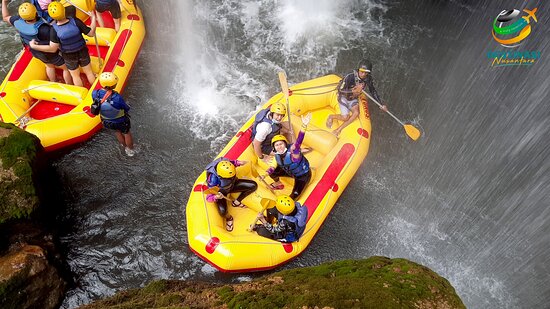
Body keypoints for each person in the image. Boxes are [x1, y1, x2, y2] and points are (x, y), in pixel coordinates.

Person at [2, 1, 72, 84]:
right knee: (65, 68)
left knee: (49, 66)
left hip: (35, 52)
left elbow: (5, 17)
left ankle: (53, 82)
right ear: (35, 12)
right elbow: (55, 45)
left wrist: (4, 2)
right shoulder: (44, 29)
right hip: (49, 52)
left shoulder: (16, 20)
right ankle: (70, 84)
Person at [30, 1, 96, 87]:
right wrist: (93, 18)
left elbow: (52, 48)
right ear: (64, 11)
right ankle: (95, 89)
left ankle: (81, 93)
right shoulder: (75, 21)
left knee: (75, 76)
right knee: (89, 72)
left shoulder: (54, 29)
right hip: (82, 51)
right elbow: (91, 33)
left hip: (68, 55)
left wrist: (34, 46)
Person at [326, 60, 388, 136]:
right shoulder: (350, 77)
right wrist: (353, 90)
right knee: (345, 117)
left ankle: (338, 130)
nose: (363, 74)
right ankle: (331, 116)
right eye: (362, 71)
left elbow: (373, 91)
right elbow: (340, 90)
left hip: (353, 98)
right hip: (343, 97)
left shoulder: (368, 79)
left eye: (366, 72)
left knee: (356, 113)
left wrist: (380, 104)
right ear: (358, 69)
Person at [264, 113, 312, 198]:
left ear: (285, 144)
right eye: (277, 145)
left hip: (302, 175)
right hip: (290, 172)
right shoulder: (277, 154)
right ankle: (278, 183)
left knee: (295, 195)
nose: (279, 147)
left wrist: (304, 125)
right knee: (273, 173)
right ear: (274, 147)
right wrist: (266, 174)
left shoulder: (294, 152)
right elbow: (273, 166)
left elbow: (299, 142)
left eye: (281, 144)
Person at [205, 158, 258, 232]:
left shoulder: (227, 163)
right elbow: (208, 197)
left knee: (253, 185)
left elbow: (233, 162)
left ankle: (237, 202)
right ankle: (229, 218)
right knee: (223, 211)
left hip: (232, 185)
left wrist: (239, 163)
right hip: (221, 192)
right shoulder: (213, 179)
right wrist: (216, 196)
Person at [91, 72, 135, 156]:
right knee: (126, 133)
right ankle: (130, 150)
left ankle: (124, 146)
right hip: (120, 121)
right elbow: (126, 108)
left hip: (106, 121)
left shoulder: (94, 93)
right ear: (114, 85)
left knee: (117, 132)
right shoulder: (116, 97)